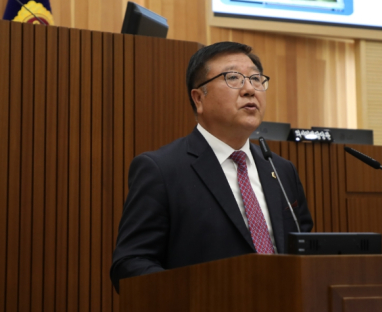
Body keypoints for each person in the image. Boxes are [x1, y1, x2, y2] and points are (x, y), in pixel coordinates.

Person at [110, 41, 313, 292]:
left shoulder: (281, 170)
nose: (250, 89)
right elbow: (130, 263)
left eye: (256, 79)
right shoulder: (162, 169)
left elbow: (304, 249)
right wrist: (195, 298)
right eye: (233, 78)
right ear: (199, 98)